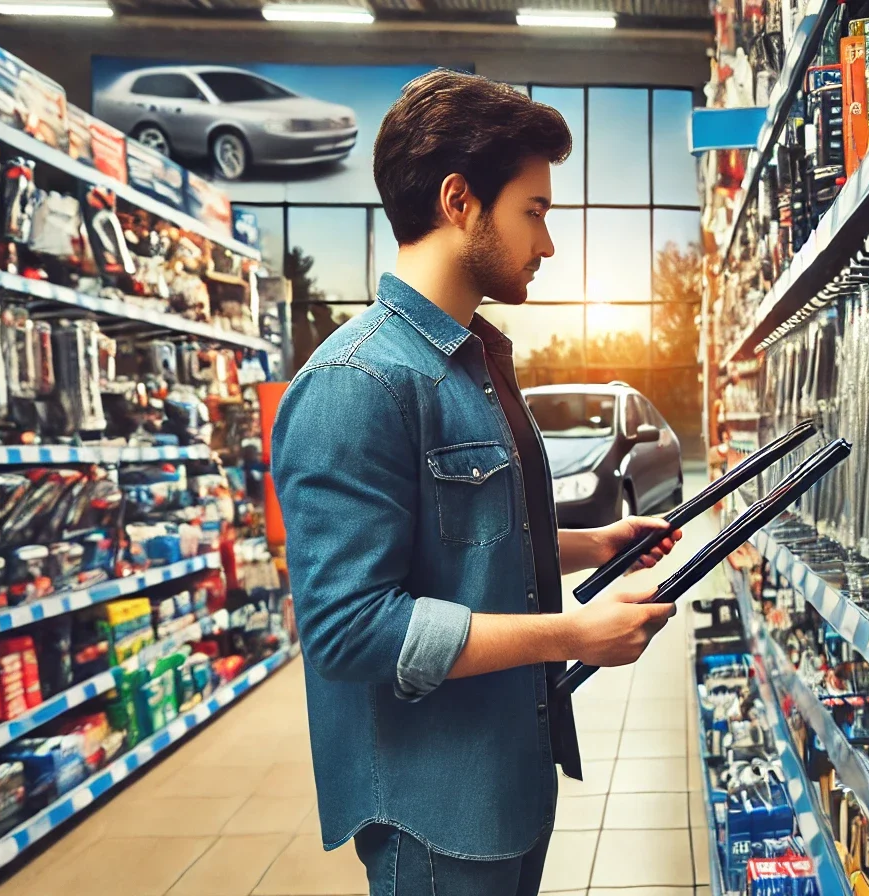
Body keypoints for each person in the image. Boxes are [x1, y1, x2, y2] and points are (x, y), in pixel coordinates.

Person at [270, 69, 682, 896]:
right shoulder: (358, 383)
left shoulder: (473, 364)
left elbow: (464, 539)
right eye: (535, 211)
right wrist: (573, 636)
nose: (550, 242)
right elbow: (348, 628)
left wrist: (590, 545)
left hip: (506, 777)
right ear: (460, 201)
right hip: (435, 813)